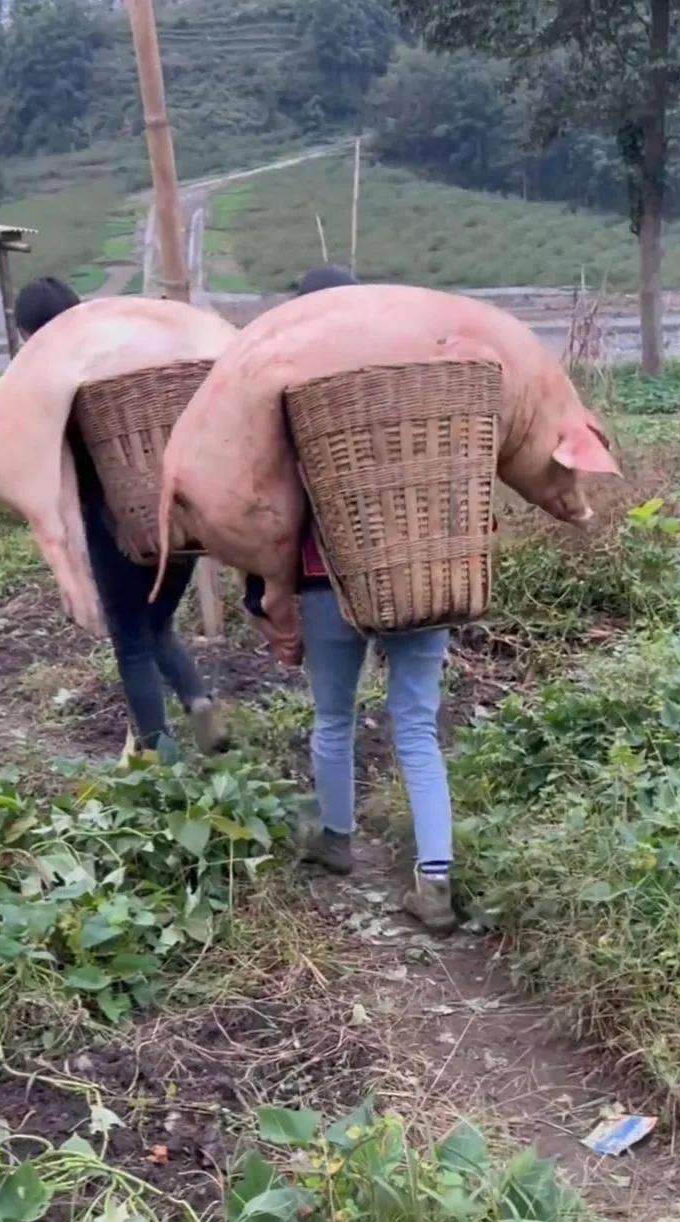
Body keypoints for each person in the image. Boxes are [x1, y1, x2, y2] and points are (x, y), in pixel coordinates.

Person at [245, 265, 456, 934]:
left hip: (326, 581)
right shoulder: (417, 385)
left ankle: (336, 841)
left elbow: (269, 505)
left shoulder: (295, 396)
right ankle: (437, 880)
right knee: (417, 728)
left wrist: (262, 594)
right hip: (421, 580)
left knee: (333, 718)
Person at [13, 277, 228, 758]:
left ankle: (155, 751)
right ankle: (196, 700)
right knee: (160, 623)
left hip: (117, 525)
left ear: (28, 334)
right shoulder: (125, 360)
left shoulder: (53, 382)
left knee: (130, 638)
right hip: (178, 517)